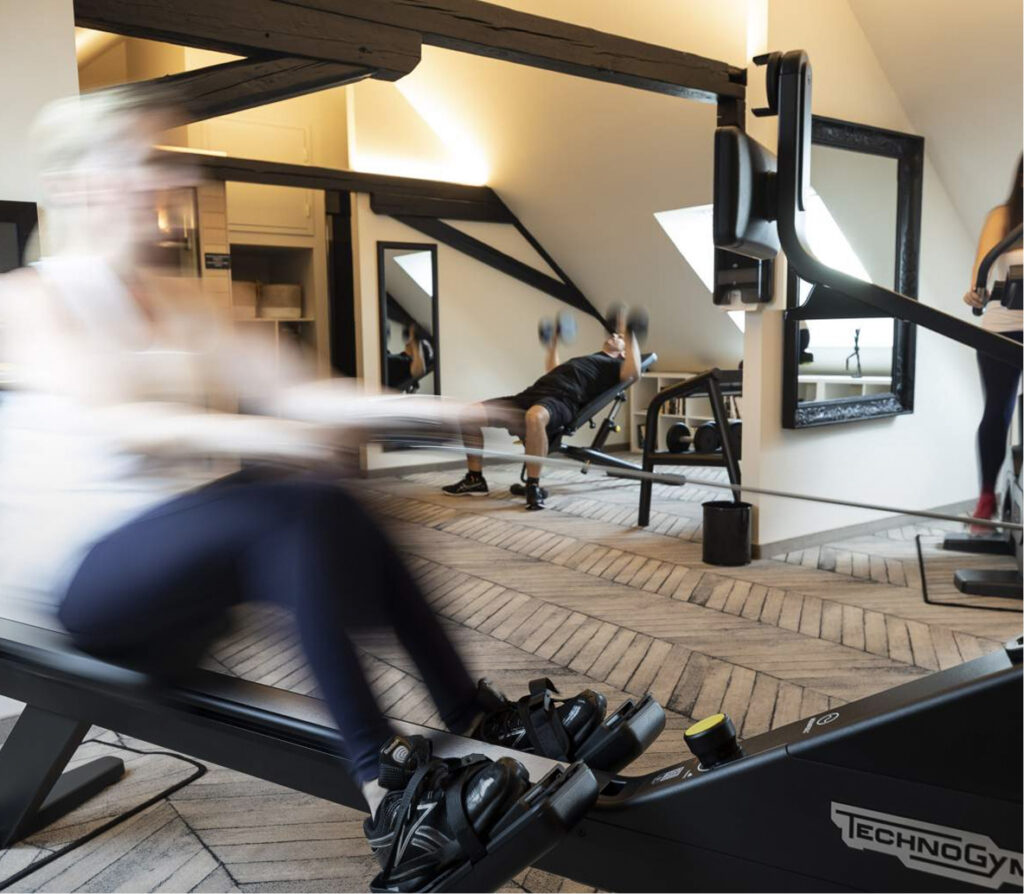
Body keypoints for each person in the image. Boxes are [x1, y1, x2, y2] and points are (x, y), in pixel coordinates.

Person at [0, 89, 617, 890]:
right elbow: (124, 422)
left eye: (158, 162)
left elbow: (302, 393)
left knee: (325, 499)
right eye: (135, 161)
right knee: (287, 504)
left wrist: (444, 412)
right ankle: (389, 798)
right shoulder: (34, 297)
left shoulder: (181, 299)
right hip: (85, 584)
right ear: (74, 183)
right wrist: (273, 438)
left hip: (171, 571)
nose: (159, 179)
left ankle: (472, 714)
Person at [442, 315, 642, 509]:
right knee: (468, 415)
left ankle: (533, 487)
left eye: (620, 337)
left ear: (626, 352)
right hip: (531, 395)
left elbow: (634, 374)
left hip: (562, 400)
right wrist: (553, 344)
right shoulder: (589, 359)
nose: (614, 335)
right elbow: (552, 370)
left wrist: (630, 334)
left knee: (534, 416)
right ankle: (475, 479)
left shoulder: (617, 366)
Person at [962, 155, 1023, 532]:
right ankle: (987, 498)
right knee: (998, 411)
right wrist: (976, 293)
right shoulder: (1002, 217)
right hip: (1003, 328)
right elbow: (980, 273)